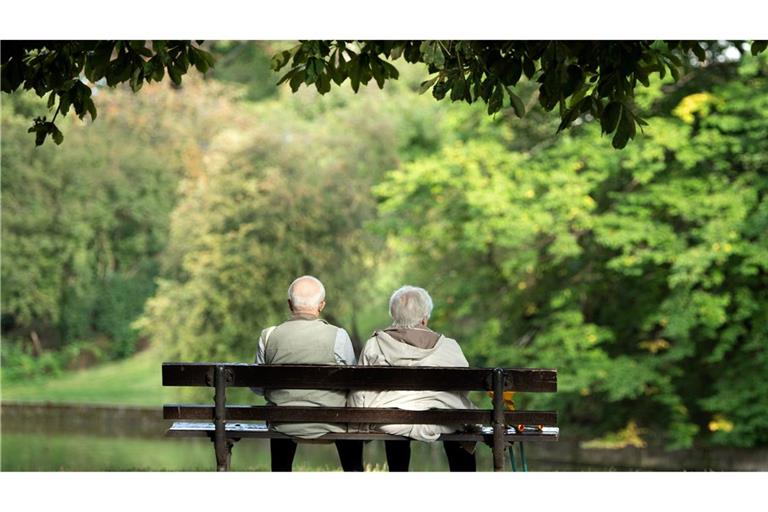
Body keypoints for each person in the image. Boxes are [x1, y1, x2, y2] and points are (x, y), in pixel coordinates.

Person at [348, 285, 477, 472]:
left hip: (389, 420)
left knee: (394, 411)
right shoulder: (449, 347)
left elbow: (360, 390)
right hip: (442, 420)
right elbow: (463, 388)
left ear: (394, 316)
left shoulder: (374, 344)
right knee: (458, 421)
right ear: (425, 318)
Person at [251, 275, 363, 472]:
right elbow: (351, 384)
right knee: (349, 413)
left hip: (283, 424)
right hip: (331, 422)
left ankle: (280, 470)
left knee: (280, 412)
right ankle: (353, 470)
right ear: (321, 305)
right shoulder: (338, 336)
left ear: (289, 304)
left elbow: (258, 388)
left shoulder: (268, 336)